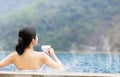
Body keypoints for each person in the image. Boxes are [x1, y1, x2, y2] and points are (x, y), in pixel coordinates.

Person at [0, 27, 64, 72]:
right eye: (36, 36)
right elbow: (61, 68)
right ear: (33, 40)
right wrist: (53, 55)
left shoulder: (14, 56)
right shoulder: (42, 56)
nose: (37, 37)